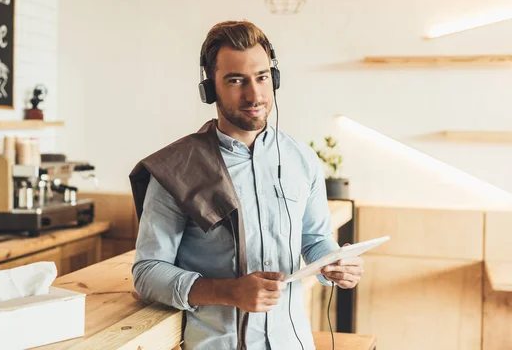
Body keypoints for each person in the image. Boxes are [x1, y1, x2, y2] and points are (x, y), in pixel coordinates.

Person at [129, 20, 364, 350]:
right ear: (210, 88)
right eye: (236, 80)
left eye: (262, 77)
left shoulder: (302, 159)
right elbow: (147, 272)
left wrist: (334, 263)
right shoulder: (176, 169)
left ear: (274, 79)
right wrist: (228, 291)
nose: (254, 94)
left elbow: (314, 238)